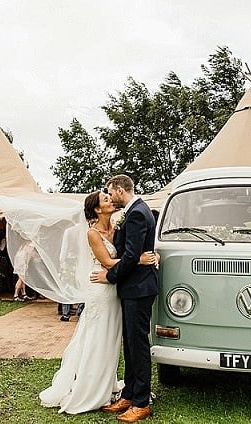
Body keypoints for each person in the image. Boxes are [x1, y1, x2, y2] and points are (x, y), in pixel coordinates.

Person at [0, 190, 158, 414]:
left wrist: (150, 255)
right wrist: (138, 260)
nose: (110, 199)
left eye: (110, 196)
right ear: (96, 209)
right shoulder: (93, 233)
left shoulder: (118, 227)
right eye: (105, 198)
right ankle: (93, 388)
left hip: (117, 289)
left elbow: (134, 248)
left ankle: (121, 391)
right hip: (101, 289)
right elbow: (109, 261)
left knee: (116, 341)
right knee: (97, 338)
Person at [91, 174, 158, 423]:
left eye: (110, 190)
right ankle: (129, 394)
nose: (109, 195)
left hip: (139, 288)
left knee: (138, 345)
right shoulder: (135, 211)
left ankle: (141, 402)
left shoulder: (138, 213)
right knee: (130, 344)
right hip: (133, 288)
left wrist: (110, 276)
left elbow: (131, 256)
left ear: (120, 189)